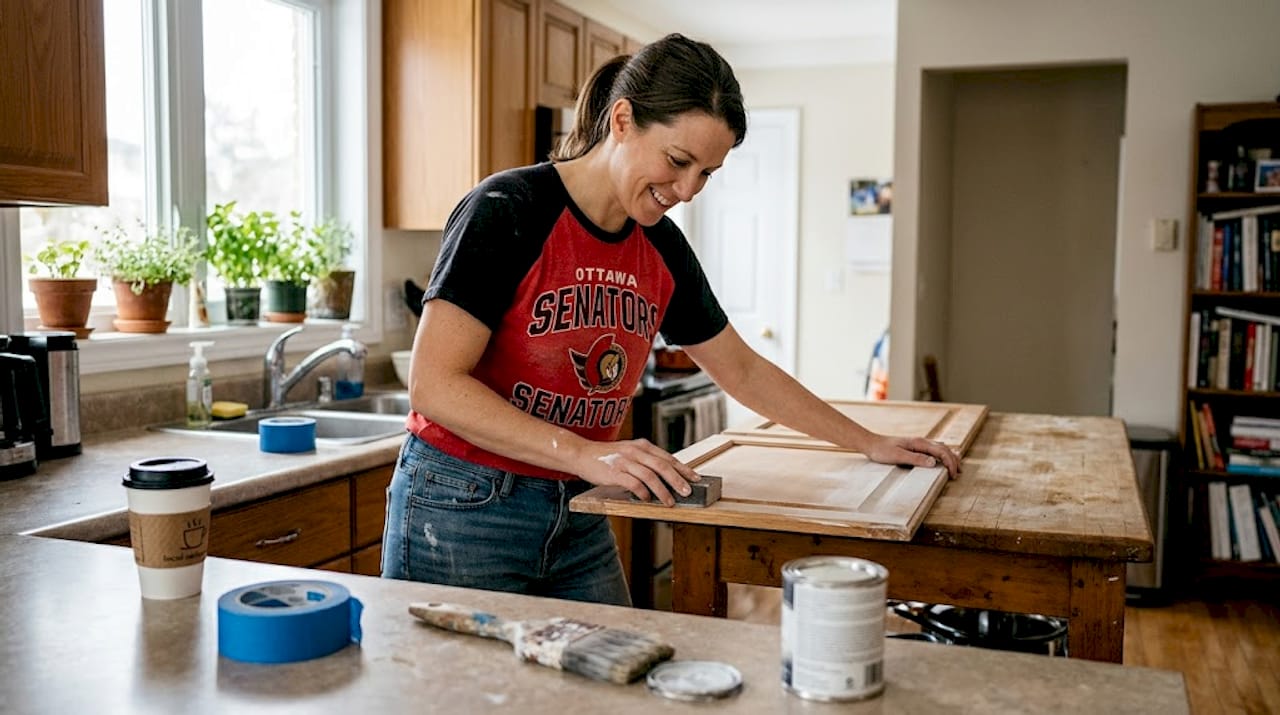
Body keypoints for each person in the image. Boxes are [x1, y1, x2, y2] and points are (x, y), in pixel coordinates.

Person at [382, 33, 960, 606]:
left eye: (706, 173)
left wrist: (867, 441)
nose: (687, 190)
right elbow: (434, 384)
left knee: (615, 666)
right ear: (622, 121)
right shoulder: (509, 209)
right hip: (462, 504)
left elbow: (742, 370)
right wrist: (584, 452)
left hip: (578, 506)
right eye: (678, 161)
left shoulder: (660, 247)